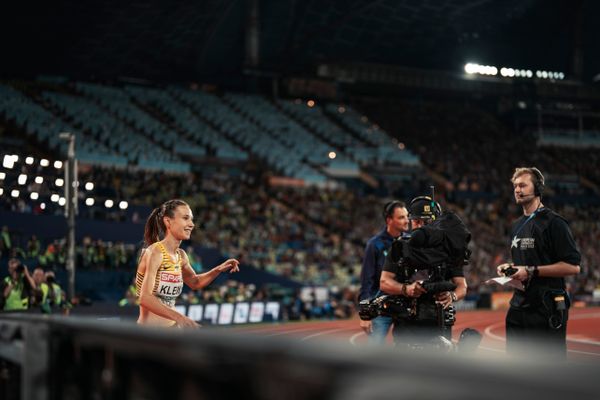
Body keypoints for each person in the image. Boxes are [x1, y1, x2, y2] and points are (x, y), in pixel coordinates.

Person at [497, 167, 580, 359]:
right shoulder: (516, 225)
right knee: (516, 366)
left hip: (546, 307)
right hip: (518, 306)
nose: (517, 190)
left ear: (538, 188)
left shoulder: (555, 223)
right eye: (515, 186)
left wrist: (531, 271)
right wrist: (508, 268)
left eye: (523, 185)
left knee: (548, 370)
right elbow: (525, 264)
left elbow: (573, 267)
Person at [380, 196, 468, 347]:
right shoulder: (400, 246)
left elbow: (462, 286)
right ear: (411, 222)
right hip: (406, 325)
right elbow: (384, 282)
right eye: (417, 221)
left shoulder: (449, 248)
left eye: (426, 222)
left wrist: (451, 296)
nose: (421, 226)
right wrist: (406, 289)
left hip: (439, 323)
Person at [136, 199, 240, 327]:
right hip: (149, 335)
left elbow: (195, 282)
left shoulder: (181, 256)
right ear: (168, 221)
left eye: (191, 219)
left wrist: (218, 269)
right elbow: (145, 298)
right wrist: (181, 318)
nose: (191, 224)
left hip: (173, 330)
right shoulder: (155, 252)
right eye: (185, 218)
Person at [359, 200, 409, 344]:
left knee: (407, 347)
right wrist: (365, 313)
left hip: (405, 305)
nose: (407, 221)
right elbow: (366, 281)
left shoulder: (410, 241)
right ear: (389, 220)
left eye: (407, 216)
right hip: (380, 306)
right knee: (375, 347)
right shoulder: (374, 245)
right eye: (401, 217)